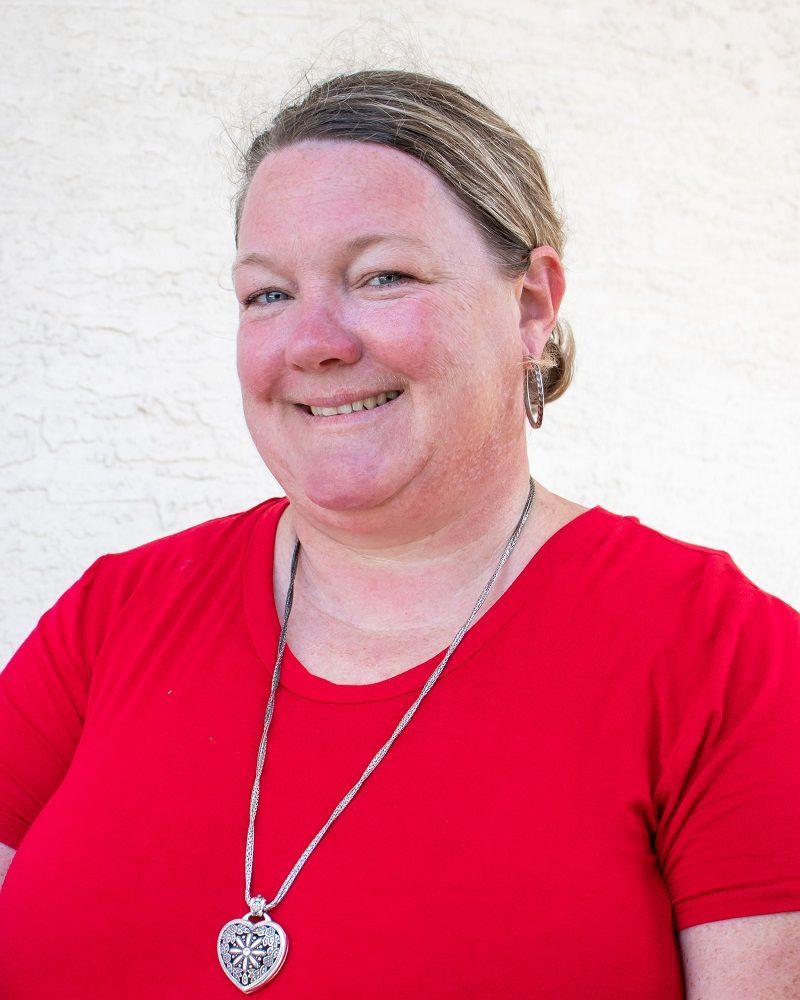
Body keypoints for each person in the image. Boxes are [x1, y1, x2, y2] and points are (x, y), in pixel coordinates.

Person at [0, 69, 798, 999]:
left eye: (383, 276)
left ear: (532, 305)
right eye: (266, 295)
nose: (315, 341)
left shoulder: (726, 657)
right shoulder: (116, 615)